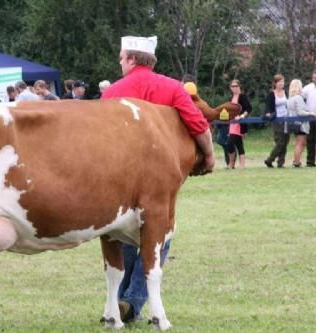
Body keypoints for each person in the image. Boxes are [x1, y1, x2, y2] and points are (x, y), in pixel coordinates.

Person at [101, 35, 212, 323]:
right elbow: (198, 123)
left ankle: (119, 302)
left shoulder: (113, 91)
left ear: (133, 59)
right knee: (161, 233)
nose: (119, 61)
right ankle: (133, 302)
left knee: (119, 231)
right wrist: (209, 156)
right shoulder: (172, 87)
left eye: (122, 57)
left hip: (118, 175)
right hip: (157, 177)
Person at [287, 79, 316, 167]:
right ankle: (296, 161)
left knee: (300, 142)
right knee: (300, 143)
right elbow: (301, 112)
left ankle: (296, 160)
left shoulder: (290, 98)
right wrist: (312, 113)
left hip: (292, 123)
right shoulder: (298, 98)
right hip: (300, 124)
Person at [264, 74, 289, 168]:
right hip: (277, 120)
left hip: (286, 119)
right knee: (280, 141)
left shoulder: (286, 92)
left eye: (282, 82)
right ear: (275, 83)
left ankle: (281, 163)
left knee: (286, 141)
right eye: (279, 82)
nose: (281, 84)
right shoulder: (271, 94)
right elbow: (268, 107)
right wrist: (268, 114)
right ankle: (270, 159)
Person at [227, 80, 252, 169]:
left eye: (236, 86)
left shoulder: (243, 97)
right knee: (236, 144)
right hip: (231, 123)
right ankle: (232, 164)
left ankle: (238, 165)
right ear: (230, 88)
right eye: (233, 86)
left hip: (240, 124)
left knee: (233, 143)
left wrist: (242, 116)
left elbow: (249, 108)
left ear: (239, 86)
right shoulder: (231, 97)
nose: (235, 88)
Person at [302, 70, 316, 167]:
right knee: (310, 140)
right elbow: (299, 96)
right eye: (313, 78)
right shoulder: (308, 88)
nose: (314, 80)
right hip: (310, 117)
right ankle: (310, 161)